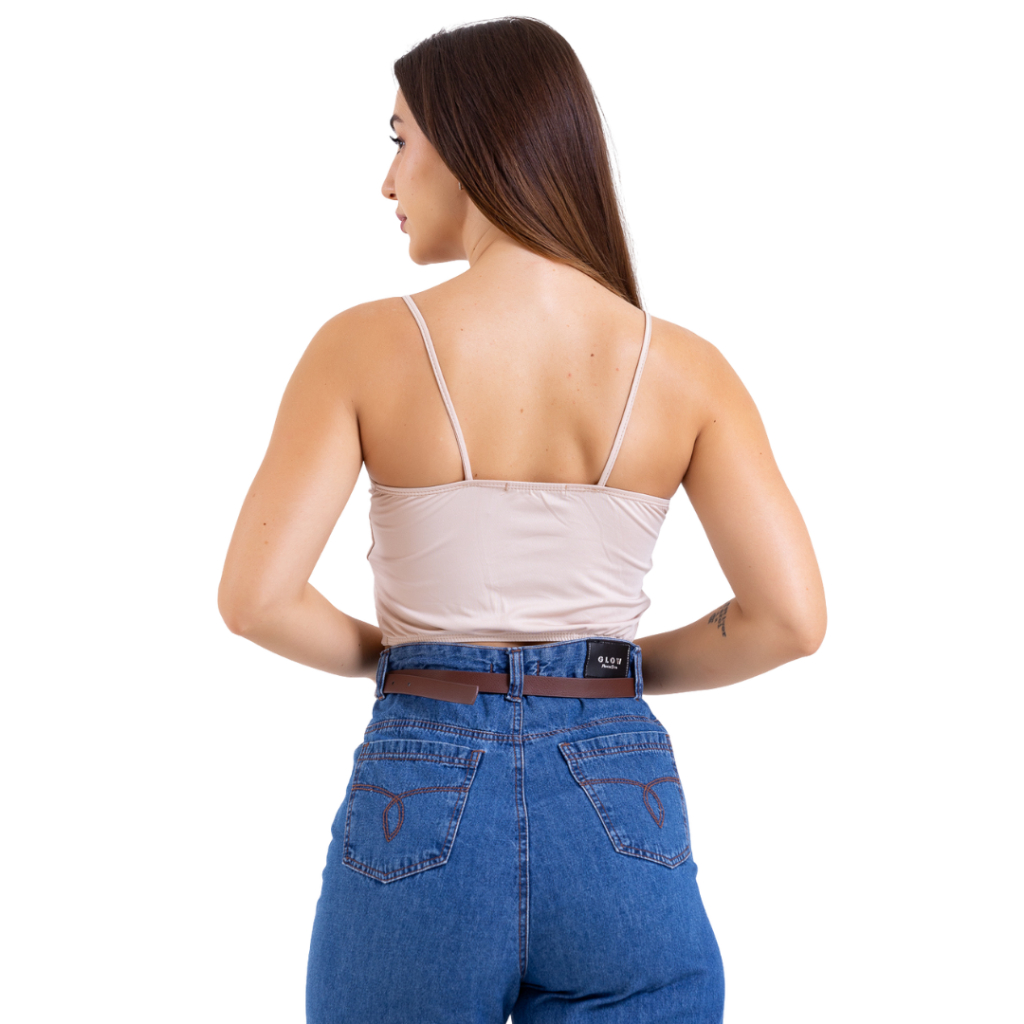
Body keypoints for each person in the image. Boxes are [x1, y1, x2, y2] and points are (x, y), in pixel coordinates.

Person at [218, 16, 825, 1024]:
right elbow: (790, 621)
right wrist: (601, 671)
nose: (386, 180)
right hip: (614, 781)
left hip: (423, 772)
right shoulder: (686, 370)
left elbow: (256, 600)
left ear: (471, 142)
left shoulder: (362, 348)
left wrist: (414, 658)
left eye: (400, 139)